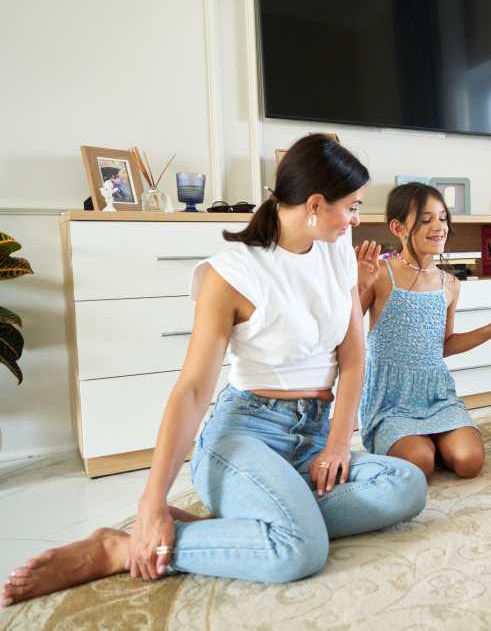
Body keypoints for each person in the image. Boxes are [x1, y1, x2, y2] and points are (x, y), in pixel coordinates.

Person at [2, 134, 427, 608]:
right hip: (244, 436)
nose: (355, 218)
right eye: (350, 206)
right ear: (313, 204)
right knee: (299, 550)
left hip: (313, 434)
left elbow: (353, 357)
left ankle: (246, 528)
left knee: (405, 486)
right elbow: (192, 389)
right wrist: (151, 503)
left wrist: (336, 444)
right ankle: (117, 548)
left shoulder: (337, 249)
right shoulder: (232, 274)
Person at [355, 183, 491, 481]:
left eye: (443, 218)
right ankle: (418, 442)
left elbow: (444, 346)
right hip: (391, 401)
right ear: (398, 227)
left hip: (436, 395)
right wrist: (357, 285)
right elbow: (344, 330)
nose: (439, 227)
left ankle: (434, 439)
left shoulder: (449, 284)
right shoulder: (382, 275)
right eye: (425, 220)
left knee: (469, 461)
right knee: (419, 463)